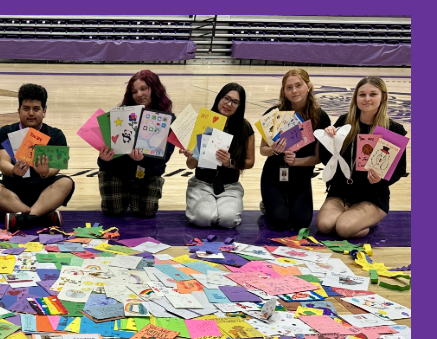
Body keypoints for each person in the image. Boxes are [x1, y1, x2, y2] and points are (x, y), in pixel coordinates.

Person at [316, 76, 408, 239]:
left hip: (372, 196)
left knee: (343, 229)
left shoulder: (393, 129)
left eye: (373, 94)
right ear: (356, 98)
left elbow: (400, 169)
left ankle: (366, 221)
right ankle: (352, 216)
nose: (367, 99)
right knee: (325, 226)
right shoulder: (345, 122)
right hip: (341, 191)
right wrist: (327, 140)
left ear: (383, 97)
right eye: (362, 95)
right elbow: (327, 159)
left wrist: (380, 179)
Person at [0, 83, 74, 231]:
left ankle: (23, 217)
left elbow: (55, 168)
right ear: (19, 111)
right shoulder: (5, 132)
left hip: (44, 192)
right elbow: (3, 162)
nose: (31, 113)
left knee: (66, 182)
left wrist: (46, 172)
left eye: (36, 109)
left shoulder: (56, 135)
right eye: (26, 109)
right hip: (14, 190)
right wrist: (13, 171)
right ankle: (41, 215)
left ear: (44, 112)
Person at [97, 70, 176, 219]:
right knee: (112, 211)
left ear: (155, 89)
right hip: (117, 173)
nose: (139, 94)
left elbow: (163, 159)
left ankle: (132, 195)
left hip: (148, 175)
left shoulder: (168, 120)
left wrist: (142, 160)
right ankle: (126, 193)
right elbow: (103, 159)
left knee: (145, 212)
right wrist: (103, 159)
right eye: (134, 91)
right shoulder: (119, 116)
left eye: (143, 88)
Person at [259, 69, 331, 231]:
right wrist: (274, 150)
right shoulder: (274, 114)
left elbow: (317, 157)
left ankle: (287, 202)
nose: (294, 91)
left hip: (301, 176)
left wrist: (296, 161)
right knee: (279, 222)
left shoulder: (320, 117)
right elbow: (263, 150)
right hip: (274, 174)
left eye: (298, 85)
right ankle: (270, 202)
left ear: (309, 87)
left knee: (301, 223)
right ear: (283, 91)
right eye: (289, 87)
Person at [183, 83, 255, 229]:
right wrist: (191, 157)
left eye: (235, 102)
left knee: (228, 220)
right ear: (219, 98)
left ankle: (220, 207)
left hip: (230, 186)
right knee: (203, 218)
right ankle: (204, 205)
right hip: (202, 183)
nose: (229, 104)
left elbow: (250, 162)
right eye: (226, 98)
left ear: (240, 106)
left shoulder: (244, 127)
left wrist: (230, 162)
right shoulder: (203, 121)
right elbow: (191, 165)